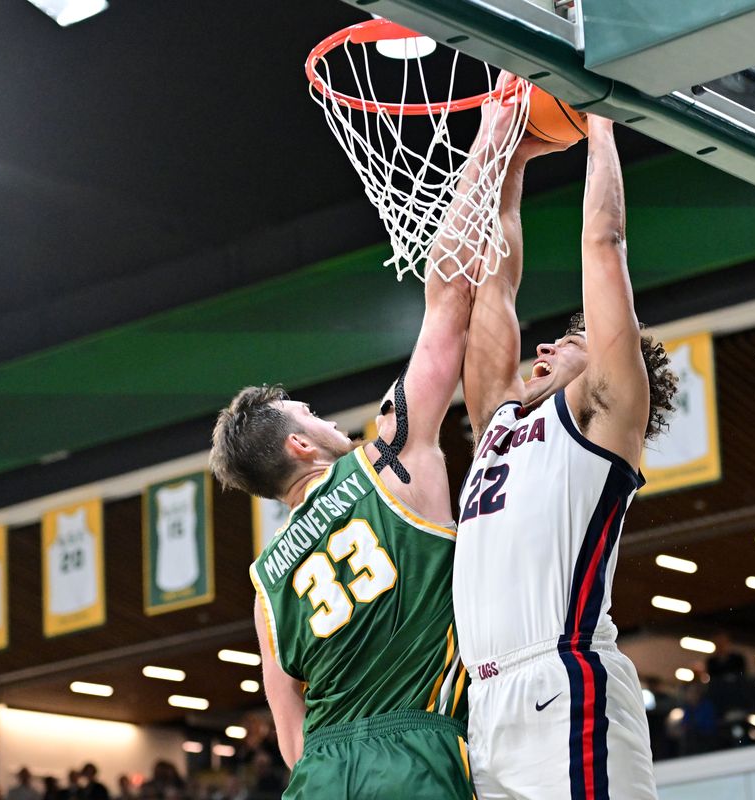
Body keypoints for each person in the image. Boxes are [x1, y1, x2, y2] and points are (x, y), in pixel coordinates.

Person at [209, 96, 525, 800]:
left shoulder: (264, 585)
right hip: (411, 746)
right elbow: (450, 303)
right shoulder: (388, 458)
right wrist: (494, 138)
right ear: (300, 444)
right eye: (312, 413)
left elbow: (289, 738)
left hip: (321, 772)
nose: (326, 419)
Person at [454, 113, 677, 799]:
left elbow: (603, 243)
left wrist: (601, 120)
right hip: (487, 707)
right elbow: (493, 286)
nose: (546, 346)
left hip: (565, 683)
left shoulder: (606, 419)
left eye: (573, 341)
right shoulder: (500, 418)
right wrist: (511, 163)